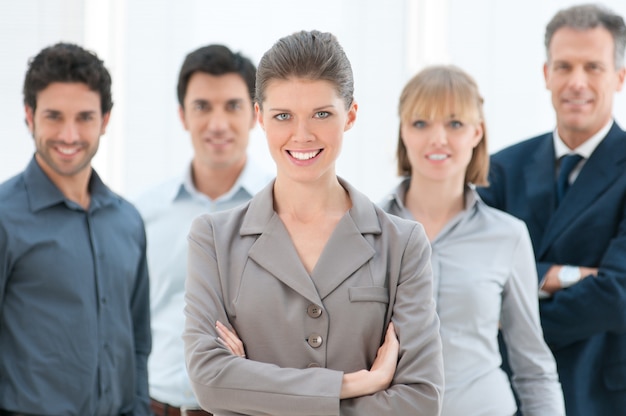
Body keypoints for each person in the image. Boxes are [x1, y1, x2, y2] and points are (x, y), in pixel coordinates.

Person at [183, 30, 444, 415]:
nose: (302, 135)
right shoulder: (213, 239)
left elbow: (419, 400)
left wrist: (252, 386)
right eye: (283, 116)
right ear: (260, 118)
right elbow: (208, 379)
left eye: (322, 114)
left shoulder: (402, 243)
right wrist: (354, 384)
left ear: (350, 115)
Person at [380, 65, 565, 416]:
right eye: (421, 123)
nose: (438, 138)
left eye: (454, 123)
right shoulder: (365, 229)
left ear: (477, 132)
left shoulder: (507, 236)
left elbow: (533, 367)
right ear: (403, 132)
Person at [477, 4, 626, 415]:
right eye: (564, 66)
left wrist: (512, 312)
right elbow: (475, 276)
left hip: (601, 394)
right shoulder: (500, 169)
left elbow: (617, 295)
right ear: (546, 75)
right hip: (511, 393)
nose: (576, 82)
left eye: (593, 67)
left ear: (619, 77)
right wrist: (569, 276)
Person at [0, 43, 151, 415]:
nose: (69, 135)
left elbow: (137, 343)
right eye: (54, 116)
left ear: (106, 119)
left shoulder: (127, 220)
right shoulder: (4, 216)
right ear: (29, 115)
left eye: (84, 117)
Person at [134, 44, 273, 415]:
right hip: (152, 405)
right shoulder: (144, 213)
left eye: (232, 106)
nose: (217, 124)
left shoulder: (282, 209)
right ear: (182, 115)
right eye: (202, 107)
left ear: (255, 114)